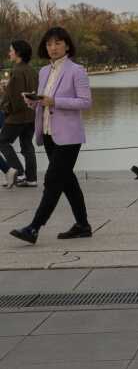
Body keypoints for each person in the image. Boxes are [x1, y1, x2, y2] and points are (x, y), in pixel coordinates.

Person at [10, 27, 93, 245]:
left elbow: (85, 102)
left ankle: (34, 228)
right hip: (48, 134)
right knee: (68, 182)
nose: (52, 48)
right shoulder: (44, 72)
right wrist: (34, 101)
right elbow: (44, 102)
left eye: (57, 43)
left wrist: (55, 101)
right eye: (48, 44)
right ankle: (83, 225)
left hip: (69, 137)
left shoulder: (77, 71)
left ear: (67, 45)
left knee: (52, 179)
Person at [0, 40, 38, 188]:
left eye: (11, 50)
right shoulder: (32, 70)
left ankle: (18, 172)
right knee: (27, 145)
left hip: (17, 117)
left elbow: (15, 100)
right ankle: (31, 178)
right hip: (31, 115)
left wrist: (6, 111)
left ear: (18, 52)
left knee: (2, 142)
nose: (9, 53)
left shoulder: (16, 71)